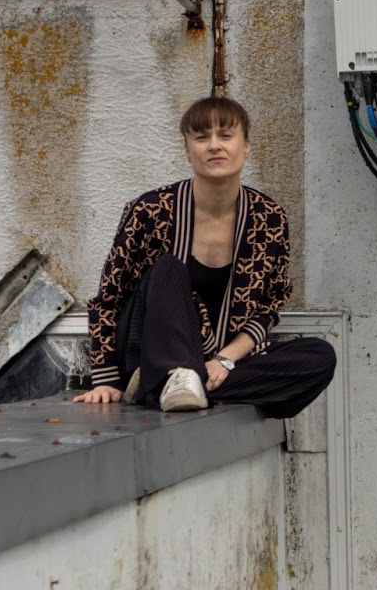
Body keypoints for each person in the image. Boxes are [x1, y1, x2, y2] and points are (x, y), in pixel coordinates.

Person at [73, 97, 335, 418]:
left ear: (246, 146)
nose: (214, 146)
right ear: (187, 151)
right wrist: (106, 379)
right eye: (201, 137)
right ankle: (170, 378)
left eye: (226, 136)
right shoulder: (151, 211)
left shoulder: (269, 218)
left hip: (217, 360)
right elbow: (109, 298)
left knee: (319, 356)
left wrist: (224, 360)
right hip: (149, 349)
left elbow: (268, 307)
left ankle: (174, 387)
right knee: (168, 268)